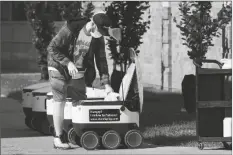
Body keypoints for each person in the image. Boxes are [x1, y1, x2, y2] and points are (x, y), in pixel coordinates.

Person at [47, 10, 116, 149]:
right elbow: (52, 48)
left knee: (80, 101)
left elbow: (101, 60)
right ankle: (58, 138)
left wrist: (106, 84)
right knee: (59, 100)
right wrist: (68, 62)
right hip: (59, 68)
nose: (101, 34)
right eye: (100, 30)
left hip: (79, 72)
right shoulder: (71, 29)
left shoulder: (98, 37)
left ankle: (77, 131)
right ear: (92, 24)